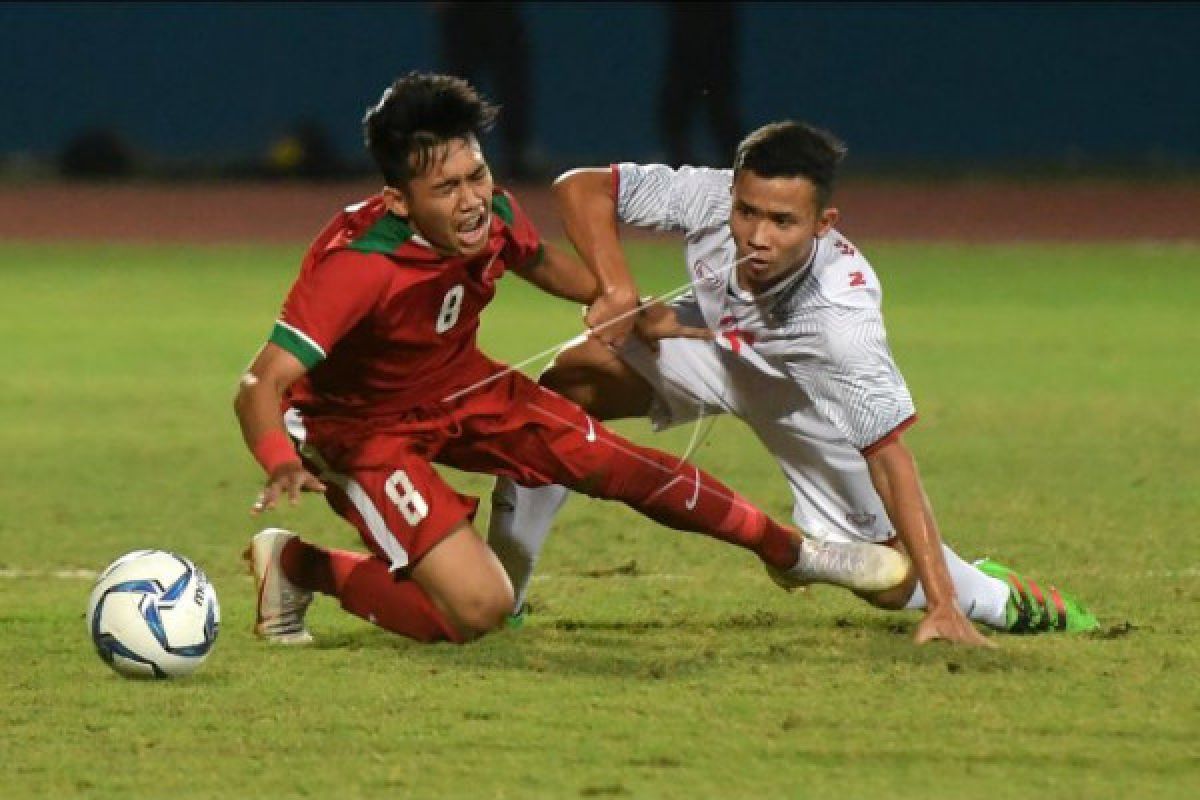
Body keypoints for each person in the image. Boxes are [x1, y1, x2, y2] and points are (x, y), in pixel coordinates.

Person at [233, 74, 910, 647]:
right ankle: (301, 564)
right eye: (446, 190)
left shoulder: (488, 213)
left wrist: (620, 299)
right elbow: (260, 385)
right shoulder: (357, 269)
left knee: (614, 462)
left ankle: (791, 552)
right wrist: (280, 460)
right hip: (361, 431)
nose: (471, 200)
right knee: (479, 610)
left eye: (477, 176)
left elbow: (538, 260)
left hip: (462, 387)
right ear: (397, 201)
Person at [487, 121, 1100, 643]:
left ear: (823, 223)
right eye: (746, 211)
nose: (756, 235)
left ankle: (991, 596)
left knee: (889, 582)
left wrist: (941, 602)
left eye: (782, 221)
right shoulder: (711, 196)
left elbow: (890, 457)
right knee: (567, 384)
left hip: (806, 402)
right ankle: (501, 596)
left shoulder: (841, 323)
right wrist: (623, 291)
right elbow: (582, 186)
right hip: (722, 356)